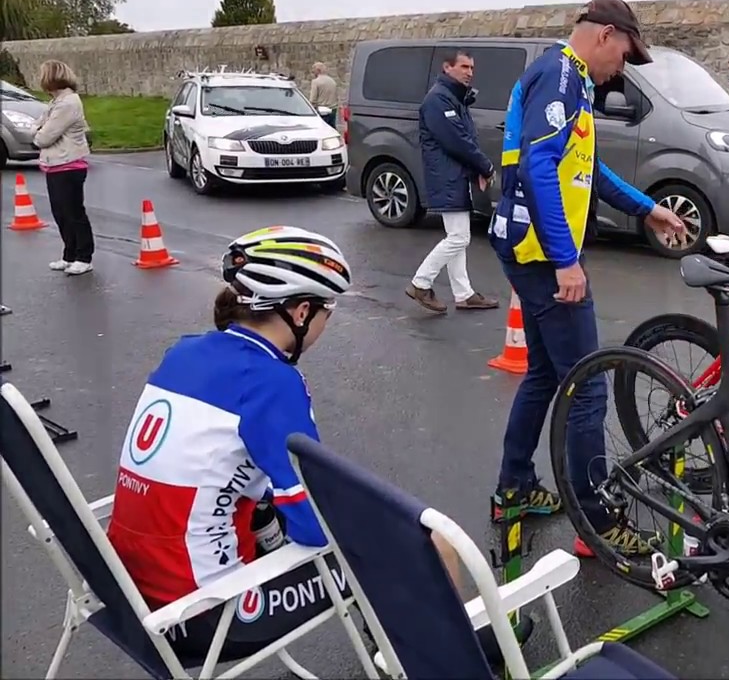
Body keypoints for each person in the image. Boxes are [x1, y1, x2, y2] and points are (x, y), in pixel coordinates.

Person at [105, 226, 527, 662]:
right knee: (427, 542)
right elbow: (314, 525)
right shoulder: (272, 382)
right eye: (328, 311)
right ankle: (455, 657)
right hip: (206, 617)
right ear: (302, 312)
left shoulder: (184, 352)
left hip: (132, 591)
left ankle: (406, 645)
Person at [487, 0, 687, 555]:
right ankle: (597, 519)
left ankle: (515, 487)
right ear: (604, 35)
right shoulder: (560, 75)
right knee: (589, 385)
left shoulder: (567, 78)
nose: (622, 68)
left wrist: (648, 208)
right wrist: (565, 260)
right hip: (540, 253)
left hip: (525, 247)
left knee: (548, 375)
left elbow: (588, 169)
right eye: (624, 54)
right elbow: (538, 165)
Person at [406, 49, 500, 313]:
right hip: (447, 176)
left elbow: (464, 140)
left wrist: (476, 169)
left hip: (454, 175)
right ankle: (420, 283)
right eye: (464, 67)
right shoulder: (438, 100)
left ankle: (464, 293)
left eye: (471, 68)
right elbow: (458, 141)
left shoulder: (454, 99)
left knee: (457, 236)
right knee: (459, 237)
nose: (469, 72)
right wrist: (485, 167)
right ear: (447, 68)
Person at [33, 60, 94, 276]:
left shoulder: (68, 103)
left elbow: (43, 137)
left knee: (74, 212)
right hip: (54, 165)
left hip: (69, 165)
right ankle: (69, 255)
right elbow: (37, 126)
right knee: (60, 213)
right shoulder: (56, 102)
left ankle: (84, 257)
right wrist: (38, 130)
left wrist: (38, 132)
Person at [309, 62, 339, 128]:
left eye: (314, 71)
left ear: (318, 71)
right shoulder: (332, 81)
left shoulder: (315, 82)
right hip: (333, 110)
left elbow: (313, 99)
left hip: (321, 111)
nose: (313, 73)